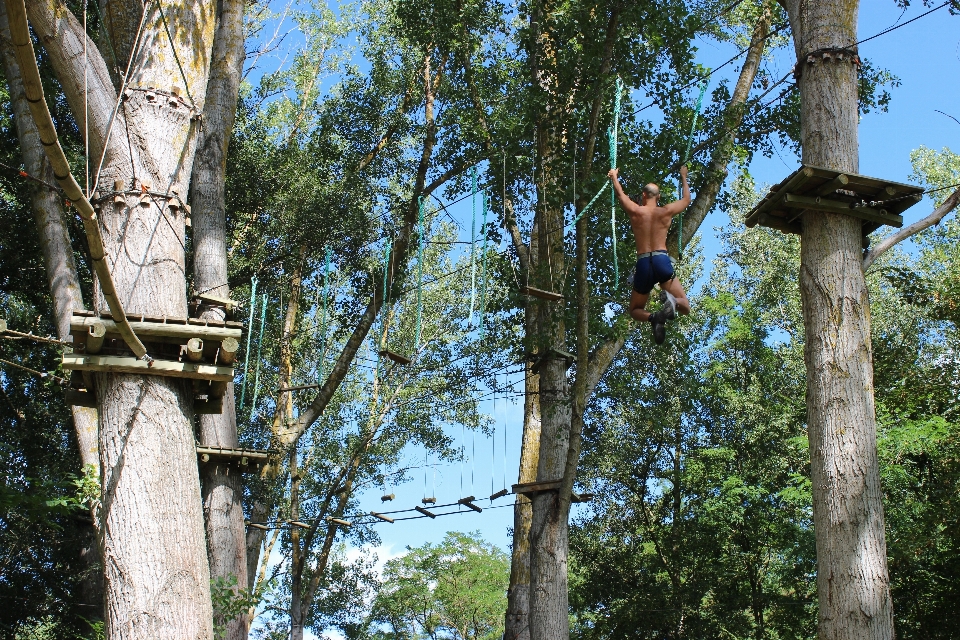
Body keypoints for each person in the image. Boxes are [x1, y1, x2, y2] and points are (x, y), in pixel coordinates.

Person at [607, 165, 692, 344]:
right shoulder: (666, 211)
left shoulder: (636, 211)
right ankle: (673, 301)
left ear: (643, 196)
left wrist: (614, 177)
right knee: (685, 305)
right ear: (658, 197)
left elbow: (621, 196)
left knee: (635, 309)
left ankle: (653, 318)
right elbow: (686, 199)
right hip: (662, 260)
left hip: (644, 264)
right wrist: (683, 176)